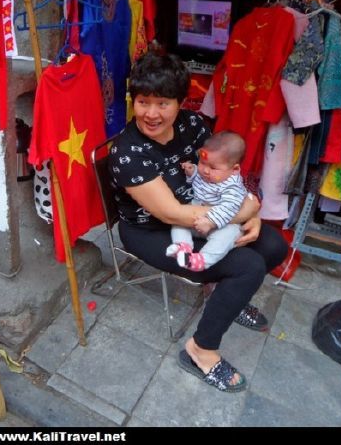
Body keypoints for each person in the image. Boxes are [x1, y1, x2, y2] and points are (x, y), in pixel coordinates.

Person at [109, 50, 288, 393]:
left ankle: (224, 297)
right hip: (151, 229)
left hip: (203, 211)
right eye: (143, 101)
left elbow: (222, 173)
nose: (151, 113)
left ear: (180, 101)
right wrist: (247, 211)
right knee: (247, 267)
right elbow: (171, 213)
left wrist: (251, 204)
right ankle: (200, 351)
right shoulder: (128, 152)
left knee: (275, 245)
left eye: (162, 103)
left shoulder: (193, 125)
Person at [166, 130, 248, 272]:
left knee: (229, 235)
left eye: (213, 167)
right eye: (203, 163)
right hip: (196, 219)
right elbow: (199, 180)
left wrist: (211, 221)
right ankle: (183, 247)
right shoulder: (208, 173)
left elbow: (229, 207)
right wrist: (193, 172)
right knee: (178, 222)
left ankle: (202, 260)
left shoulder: (233, 186)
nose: (205, 171)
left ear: (234, 169)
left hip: (220, 224)